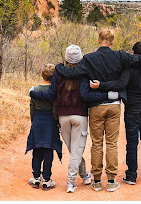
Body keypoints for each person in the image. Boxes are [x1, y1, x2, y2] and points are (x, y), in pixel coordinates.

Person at [54, 29, 141, 193]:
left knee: (97, 143)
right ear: (112, 42)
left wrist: (59, 67)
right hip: (114, 105)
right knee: (112, 143)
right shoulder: (120, 56)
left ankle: (98, 181)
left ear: (99, 40)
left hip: (96, 106)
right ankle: (112, 181)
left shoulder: (89, 59)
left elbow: (72, 73)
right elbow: (139, 59)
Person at [29, 45, 119, 193]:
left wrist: (33, 93)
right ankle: (71, 182)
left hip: (63, 116)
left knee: (74, 151)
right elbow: (86, 96)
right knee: (76, 151)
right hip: (80, 116)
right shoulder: (84, 74)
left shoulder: (58, 74)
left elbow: (50, 95)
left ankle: (84, 175)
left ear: (66, 58)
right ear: (80, 59)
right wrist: (107, 95)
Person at [90, 41, 141, 185]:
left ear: (133, 54)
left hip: (132, 110)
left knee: (132, 142)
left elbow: (119, 84)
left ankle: (131, 176)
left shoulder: (129, 69)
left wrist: (101, 85)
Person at [26, 63, 62, 190]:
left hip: (38, 121)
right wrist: (57, 123)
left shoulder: (34, 90)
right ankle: (47, 180)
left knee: (37, 150)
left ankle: (36, 179)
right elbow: (55, 109)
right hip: (50, 122)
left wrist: (34, 122)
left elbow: (32, 108)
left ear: (42, 74)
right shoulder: (54, 92)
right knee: (48, 151)